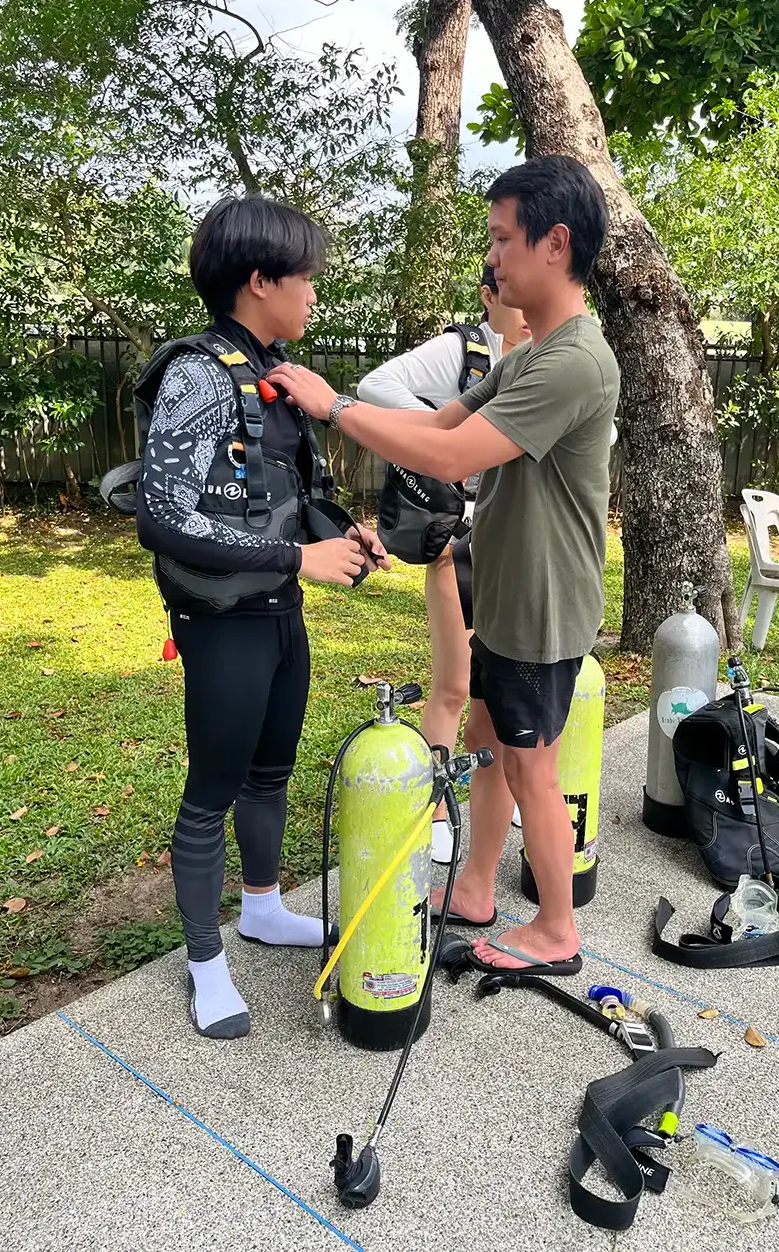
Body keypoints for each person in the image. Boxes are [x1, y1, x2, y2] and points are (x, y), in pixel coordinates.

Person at [267, 154, 619, 975]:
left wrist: (336, 406)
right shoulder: (531, 353)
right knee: (492, 738)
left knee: (531, 761)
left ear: (555, 243)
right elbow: (449, 430)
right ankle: (473, 893)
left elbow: (454, 449)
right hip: (504, 591)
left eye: (502, 239)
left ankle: (557, 932)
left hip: (542, 601)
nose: (491, 258)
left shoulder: (575, 361)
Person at [135, 195, 388, 1038]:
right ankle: (206, 963)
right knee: (212, 788)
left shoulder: (275, 375)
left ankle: (264, 906)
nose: (315, 292)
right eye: (305, 276)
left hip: (282, 616)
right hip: (224, 622)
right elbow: (164, 516)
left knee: (270, 770)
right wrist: (295, 559)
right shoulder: (198, 374)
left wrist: (342, 538)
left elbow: (287, 496)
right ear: (258, 279)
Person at [356, 265, 532, 864]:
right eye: (506, 289)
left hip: (521, 541)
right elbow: (376, 385)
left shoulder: (552, 353)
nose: (521, 301)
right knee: (455, 684)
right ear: (489, 295)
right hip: (457, 535)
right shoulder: (463, 349)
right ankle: (433, 808)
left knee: (504, 691)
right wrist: (446, 432)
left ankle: (498, 798)